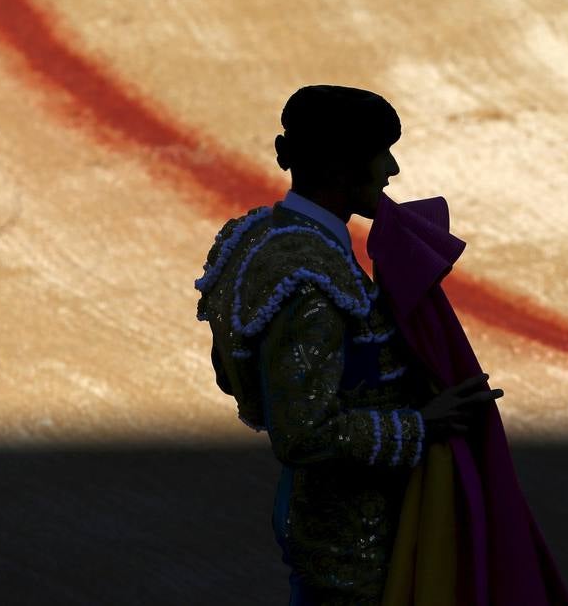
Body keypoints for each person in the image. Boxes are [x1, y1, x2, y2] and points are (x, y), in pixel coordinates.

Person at [194, 85, 501, 604]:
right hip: (351, 536)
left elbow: (235, 373)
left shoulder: (255, 238)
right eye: (380, 153)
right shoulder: (310, 276)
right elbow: (303, 435)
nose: (392, 169)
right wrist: (421, 424)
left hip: (326, 518)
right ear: (340, 169)